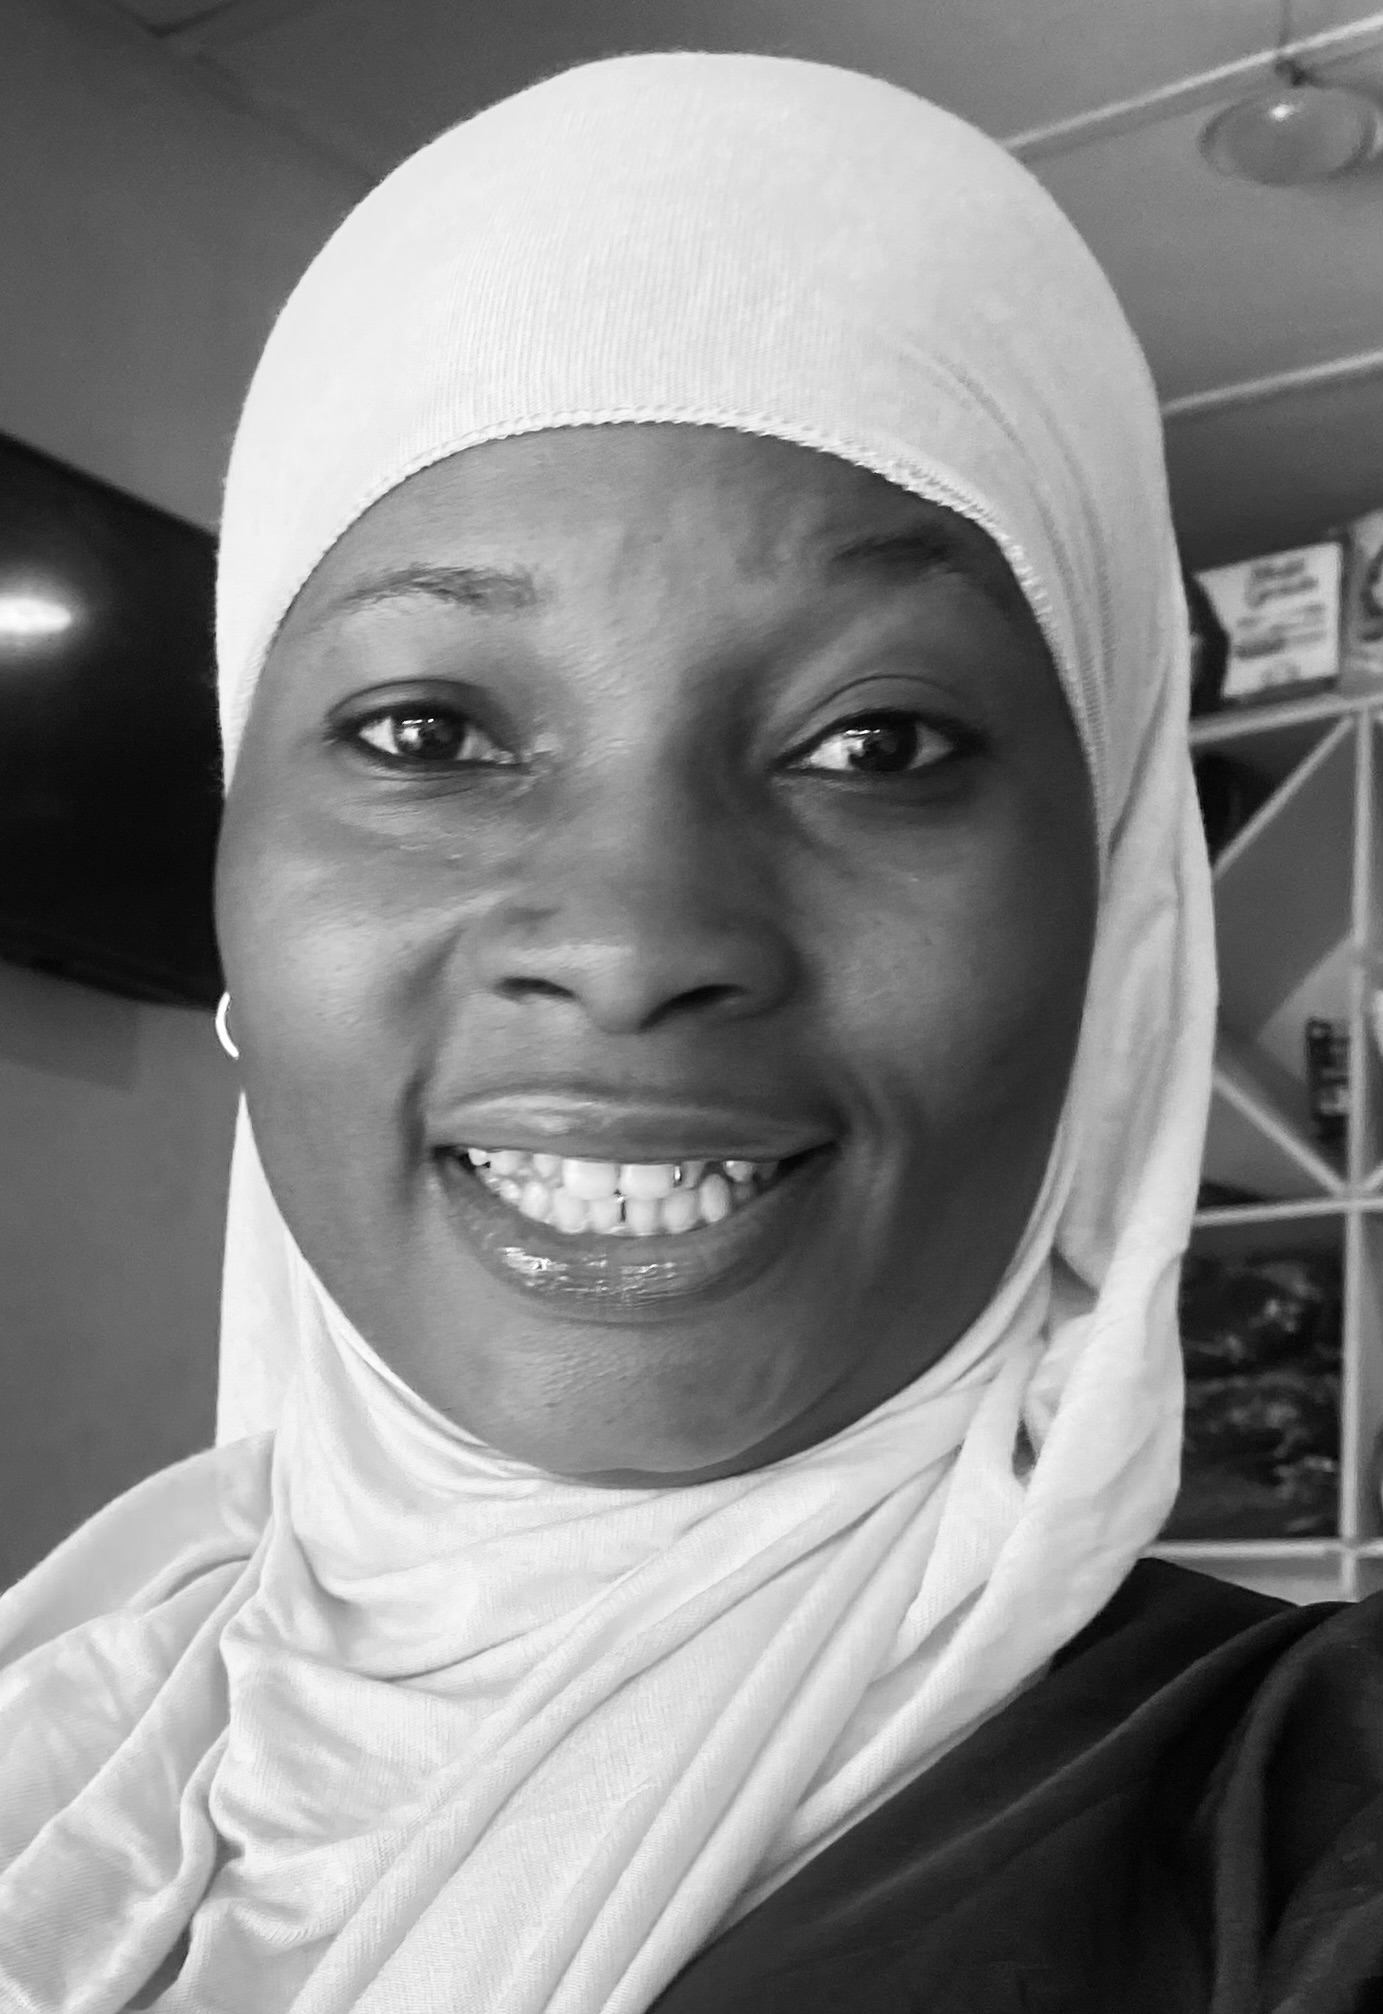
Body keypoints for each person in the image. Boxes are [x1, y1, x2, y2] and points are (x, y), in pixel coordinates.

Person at [2, 49, 1381, 2014]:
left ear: (1115, 918)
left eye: (873, 741)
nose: (633, 941)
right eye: (427, 731)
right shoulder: (71, 1733)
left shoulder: (1298, 1842)